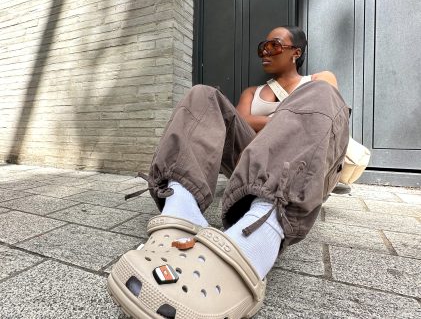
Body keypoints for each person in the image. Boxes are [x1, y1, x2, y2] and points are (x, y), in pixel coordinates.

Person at [107, 26, 350, 319]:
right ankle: (182, 209)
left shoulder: (319, 81)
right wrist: (287, 117)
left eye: (273, 46)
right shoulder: (253, 92)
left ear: (295, 53)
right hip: (252, 162)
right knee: (203, 95)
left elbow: (325, 119)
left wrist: (288, 119)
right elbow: (243, 119)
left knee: (322, 96)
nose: (265, 52)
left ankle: (260, 234)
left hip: (300, 165)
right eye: (262, 47)